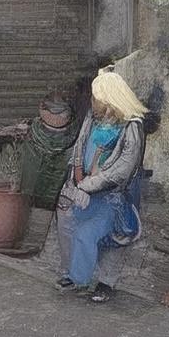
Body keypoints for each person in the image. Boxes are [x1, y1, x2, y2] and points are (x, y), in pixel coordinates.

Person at [54, 70, 148, 304]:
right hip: (85, 185)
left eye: (96, 98)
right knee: (71, 226)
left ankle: (106, 282)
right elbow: (80, 145)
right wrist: (75, 178)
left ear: (109, 100)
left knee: (111, 237)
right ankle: (76, 275)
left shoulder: (132, 127)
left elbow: (122, 170)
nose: (92, 102)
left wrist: (88, 185)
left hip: (115, 195)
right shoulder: (93, 118)